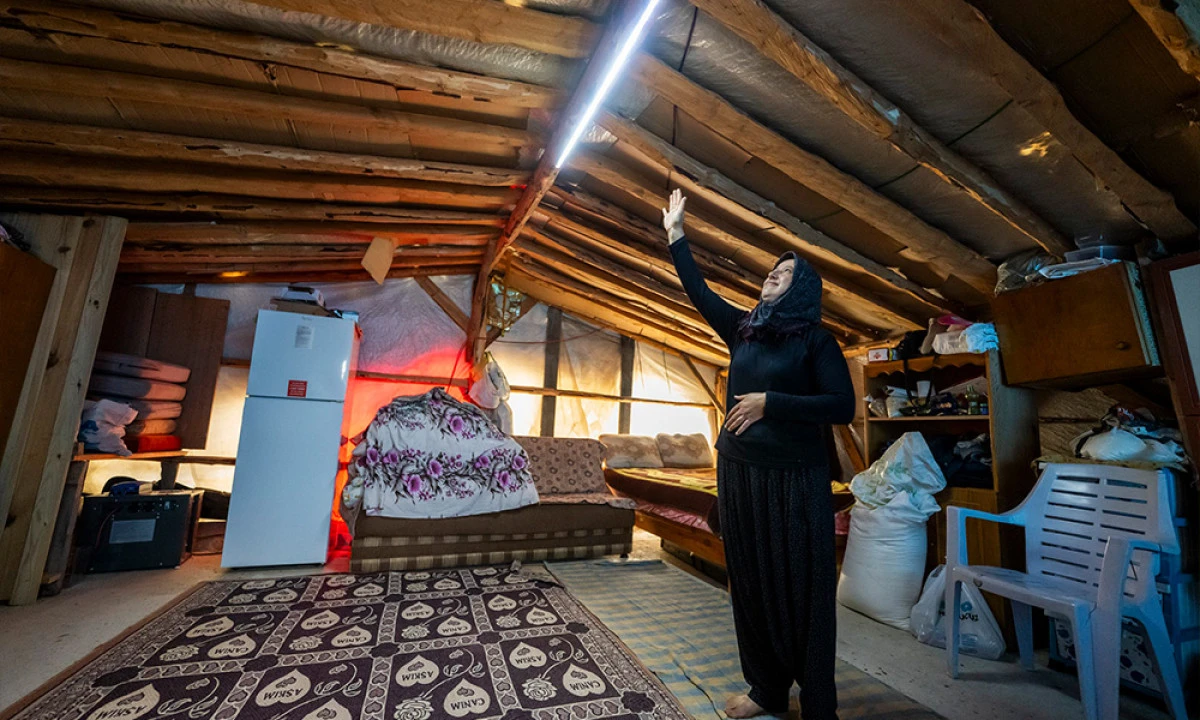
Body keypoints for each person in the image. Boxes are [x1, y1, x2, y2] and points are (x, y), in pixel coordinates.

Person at [661, 189, 855, 719]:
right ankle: (765, 690)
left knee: (805, 591)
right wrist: (677, 236)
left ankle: (819, 704)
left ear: (802, 290)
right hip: (738, 472)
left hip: (793, 478)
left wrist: (771, 402)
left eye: (785, 273)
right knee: (748, 583)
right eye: (773, 269)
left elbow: (842, 405)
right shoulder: (743, 332)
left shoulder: (816, 342)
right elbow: (699, 292)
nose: (773, 274)